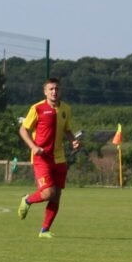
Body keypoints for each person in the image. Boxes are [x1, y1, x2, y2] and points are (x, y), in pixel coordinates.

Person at [16, 77, 80, 238]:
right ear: (45, 92)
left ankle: (44, 230)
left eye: (56, 88)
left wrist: (73, 140)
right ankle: (27, 200)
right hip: (42, 158)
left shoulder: (66, 109)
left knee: (56, 196)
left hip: (59, 158)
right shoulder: (37, 108)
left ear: (60, 91)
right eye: (51, 89)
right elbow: (23, 130)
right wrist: (33, 147)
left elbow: (67, 130)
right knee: (48, 193)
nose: (54, 91)